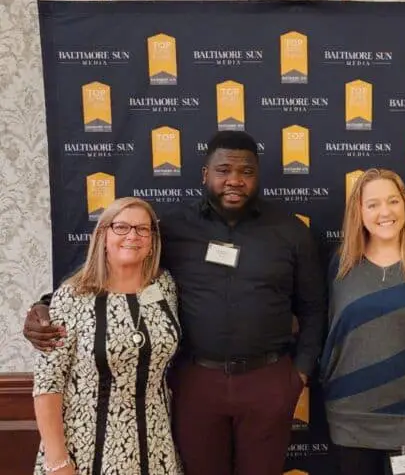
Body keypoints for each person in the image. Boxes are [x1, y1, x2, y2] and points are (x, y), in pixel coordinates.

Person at [24, 131, 327, 475]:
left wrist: (298, 375)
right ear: (205, 174)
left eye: (246, 172)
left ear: (257, 175)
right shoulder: (171, 229)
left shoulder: (291, 232)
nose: (234, 180)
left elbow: (314, 308)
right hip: (197, 383)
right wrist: (46, 304)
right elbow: (112, 272)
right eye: (223, 170)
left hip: (267, 381)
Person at [319, 168, 405, 475]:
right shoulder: (341, 263)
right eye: (373, 204)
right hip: (350, 411)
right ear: (359, 212)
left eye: (393, 201)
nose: (385, 212)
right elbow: (325, 326)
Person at [32, 197, 181, 475]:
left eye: (142, 229)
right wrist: (57, 461)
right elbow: (48, 384)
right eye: (121, 227)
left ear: (152, 242)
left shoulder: (165, 288)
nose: (132, 236)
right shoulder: (72, 296)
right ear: (102, 236)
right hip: (85, 447)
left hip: (155, 445)